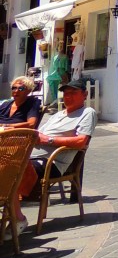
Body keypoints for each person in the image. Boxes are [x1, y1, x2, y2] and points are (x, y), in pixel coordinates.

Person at [9, 78, 97, 233]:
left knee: (9, 170)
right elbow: (38, 134)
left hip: (51, 162)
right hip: (31, 156)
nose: (68, 96)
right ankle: (10, 211)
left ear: (85, 94)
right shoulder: (58, 114)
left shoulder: (87, 113)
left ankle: (18, 219)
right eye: (66, 93)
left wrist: (49, 140)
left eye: (73, 93)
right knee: (6, 166)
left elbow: (82, 141)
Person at [46, 44, 70, 108]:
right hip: (59, 73)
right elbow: (65, 67)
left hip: (59, 73)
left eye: (61, 47)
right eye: (60, 47)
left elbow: (65, 67)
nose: (60, 48)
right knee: (59, 87)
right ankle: (58, 100)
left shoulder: (61, 57)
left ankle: (59, 100)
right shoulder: (58, 57)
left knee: (59, 87)